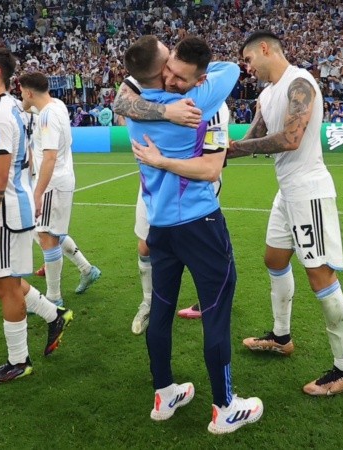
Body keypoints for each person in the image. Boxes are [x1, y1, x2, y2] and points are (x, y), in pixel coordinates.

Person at [119, 35, 262, 434]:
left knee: (161, 310)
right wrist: (196, 79)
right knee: (216, 310)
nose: (170, 73)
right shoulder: (198, 101)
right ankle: (225, 406)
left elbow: (125, 93)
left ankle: (164, 393)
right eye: (167, 64)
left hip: (159, 225)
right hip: (199, 223)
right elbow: (232, 69)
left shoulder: (134, 105)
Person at [227, 30, 343, 396]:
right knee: (273, 258)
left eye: (250, 59)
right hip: (286, 192)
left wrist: (235, 149)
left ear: (266, 50)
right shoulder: (267, 93)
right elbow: (253, 137)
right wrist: (220, 154)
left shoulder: (298, 82)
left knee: (320, 275)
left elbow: (290, 138)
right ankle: (281, 336)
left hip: (308, 191)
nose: (248, 67)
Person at [115, 40, 232, 332]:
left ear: (200, 79)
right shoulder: (148, 91)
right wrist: (166, 112)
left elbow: (211, 169)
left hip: (191, 193)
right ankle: (148, 303)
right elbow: (119, 103)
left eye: (180, 76)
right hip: (153, 191)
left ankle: (208, 298)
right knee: (145, 246)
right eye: (168, 69)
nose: (170, 78)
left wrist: (161, 161)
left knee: (198, 256)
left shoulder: (213, 107)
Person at [0, 46, 73, 385]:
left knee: (5, 286)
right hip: (9, 210)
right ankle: (53, 313)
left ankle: (19, 361)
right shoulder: (3, 109)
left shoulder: (0, 114)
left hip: (6, 214)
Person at [19, 72, 101, 306]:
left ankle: (54, 299)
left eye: (21, 91)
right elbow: (29, 109)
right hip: (61, 179)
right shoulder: (57, 104)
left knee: (46, 237)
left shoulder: (46, 116)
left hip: (52, 183)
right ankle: (87, 270)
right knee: (48, 231)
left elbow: (50, 157)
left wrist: (37, 194)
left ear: (29, 92)